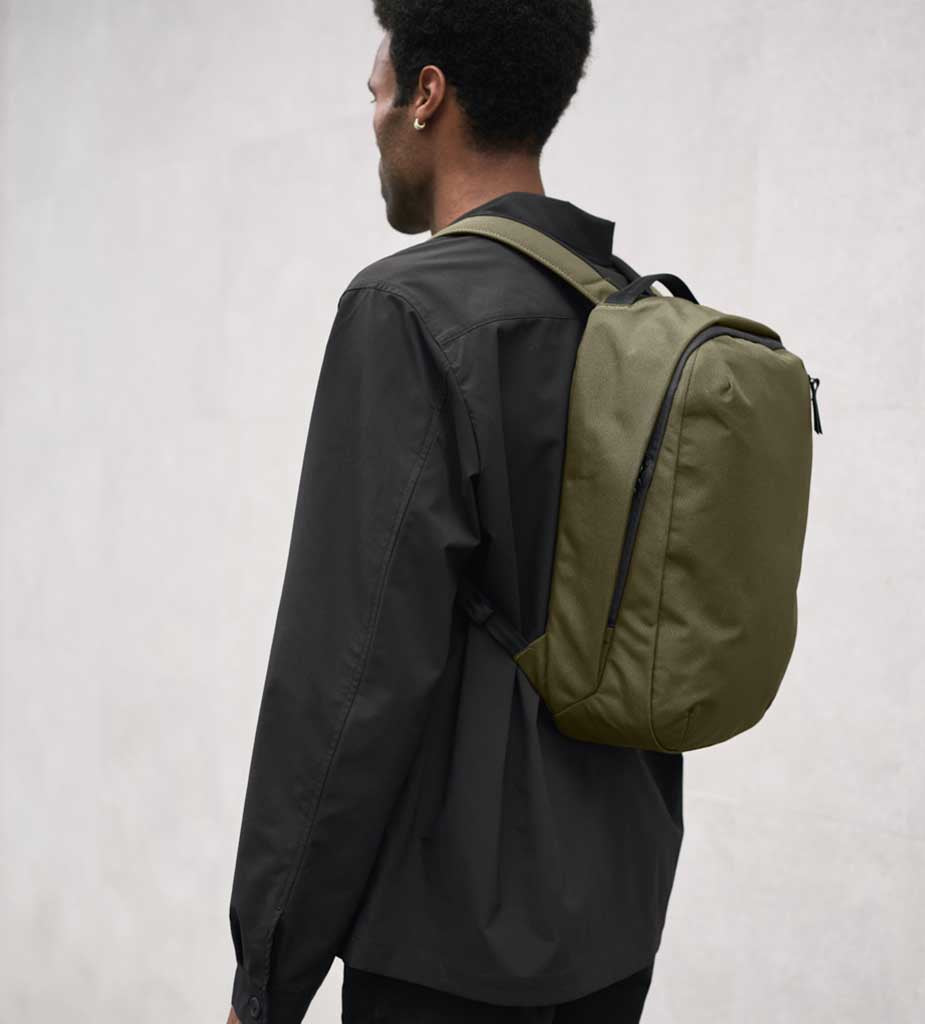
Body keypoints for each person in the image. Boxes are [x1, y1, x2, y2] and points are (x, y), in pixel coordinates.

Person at [226, 3, 684, 1022]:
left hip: (448, 955)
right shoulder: (629, 315)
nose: (374, 116)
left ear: (427, 95)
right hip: (615, 925)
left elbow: (347, 682)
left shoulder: (407, 309)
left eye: (379, 90)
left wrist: (266, 977)